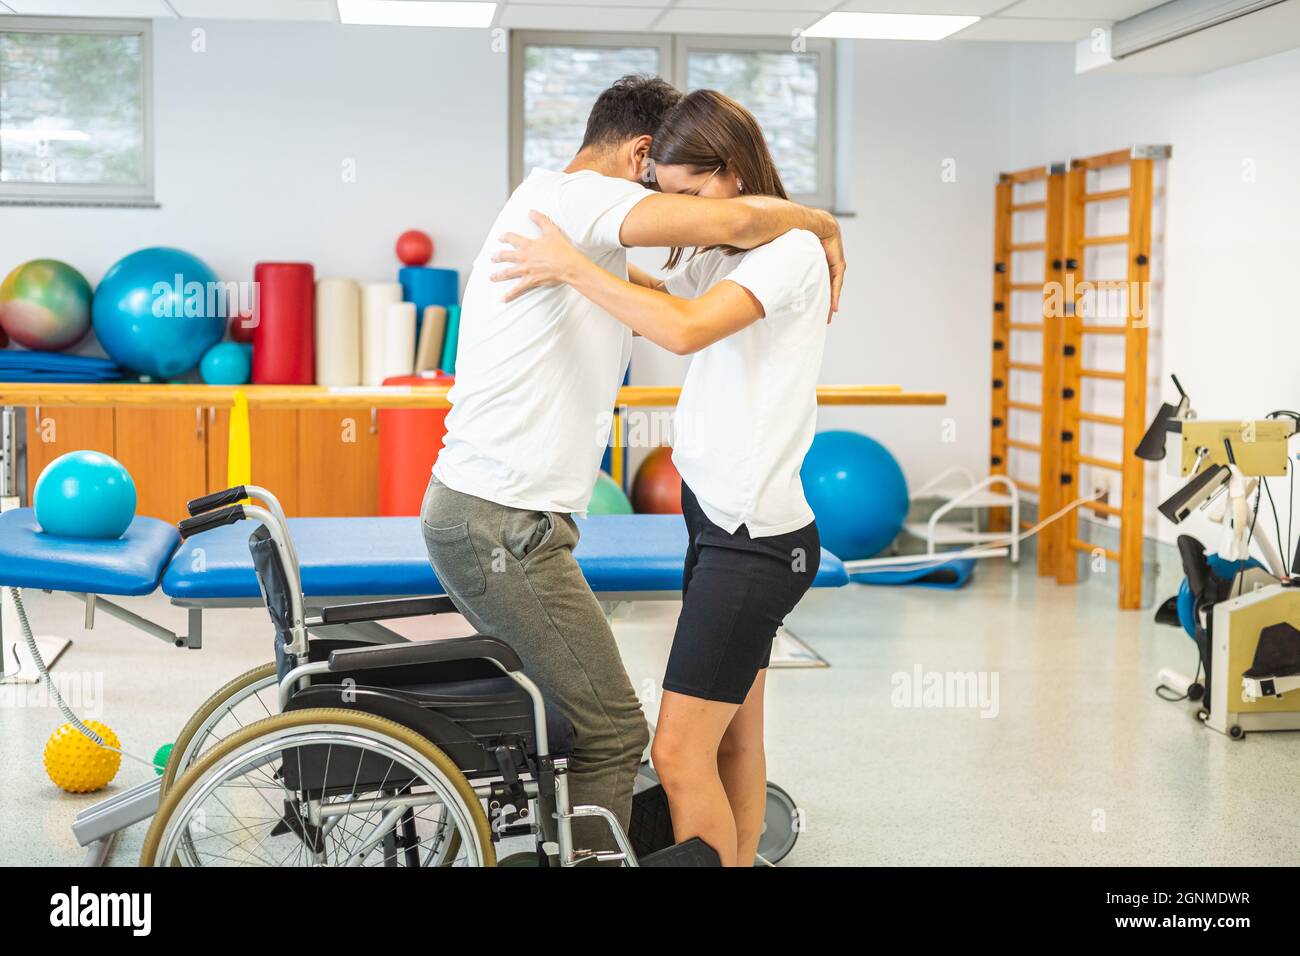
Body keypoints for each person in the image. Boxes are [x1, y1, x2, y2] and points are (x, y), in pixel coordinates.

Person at [422, 75, 842, 862]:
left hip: (749, 533)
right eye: (666, 194)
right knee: (712, 745)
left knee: (668, 748)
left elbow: (686, 319)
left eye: (687, 198)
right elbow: (681, 268)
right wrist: (590, 265)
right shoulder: (591, 210)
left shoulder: (774, 250)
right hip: (690, 521)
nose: (676, 219)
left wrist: (815, 224)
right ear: (642, 154)